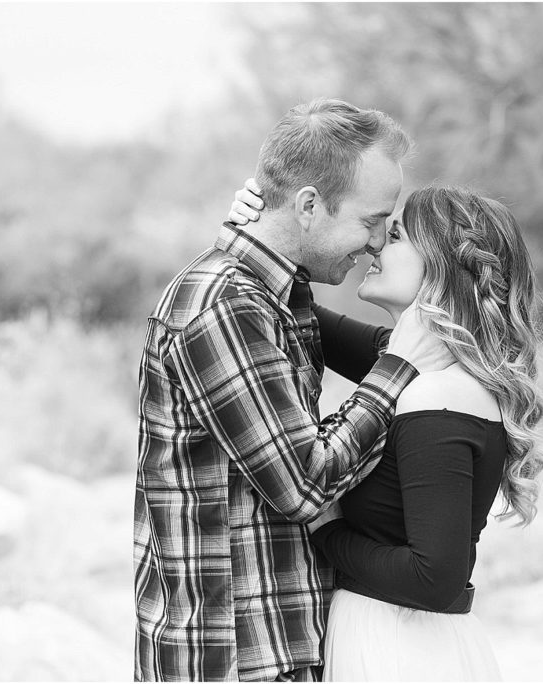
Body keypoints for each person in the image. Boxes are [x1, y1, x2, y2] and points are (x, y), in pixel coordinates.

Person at [134, 99, 454, 682]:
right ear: (309, 204)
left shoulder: (275, 299)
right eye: (371, 220)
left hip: (277, 648)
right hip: (231, 660)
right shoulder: (223, 306)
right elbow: (304, 481)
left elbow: (410, 356)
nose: (379, 242)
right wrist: (399, 368)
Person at [228, 179, 543, 680]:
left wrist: (324, 527)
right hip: (394, 637)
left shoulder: (439, 394)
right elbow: (287, 313)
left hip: (401, 649)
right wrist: (263, 227)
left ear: (439, 268)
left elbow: (434, 579)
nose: (375, 244)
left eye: (396, 235)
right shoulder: (414, 367)